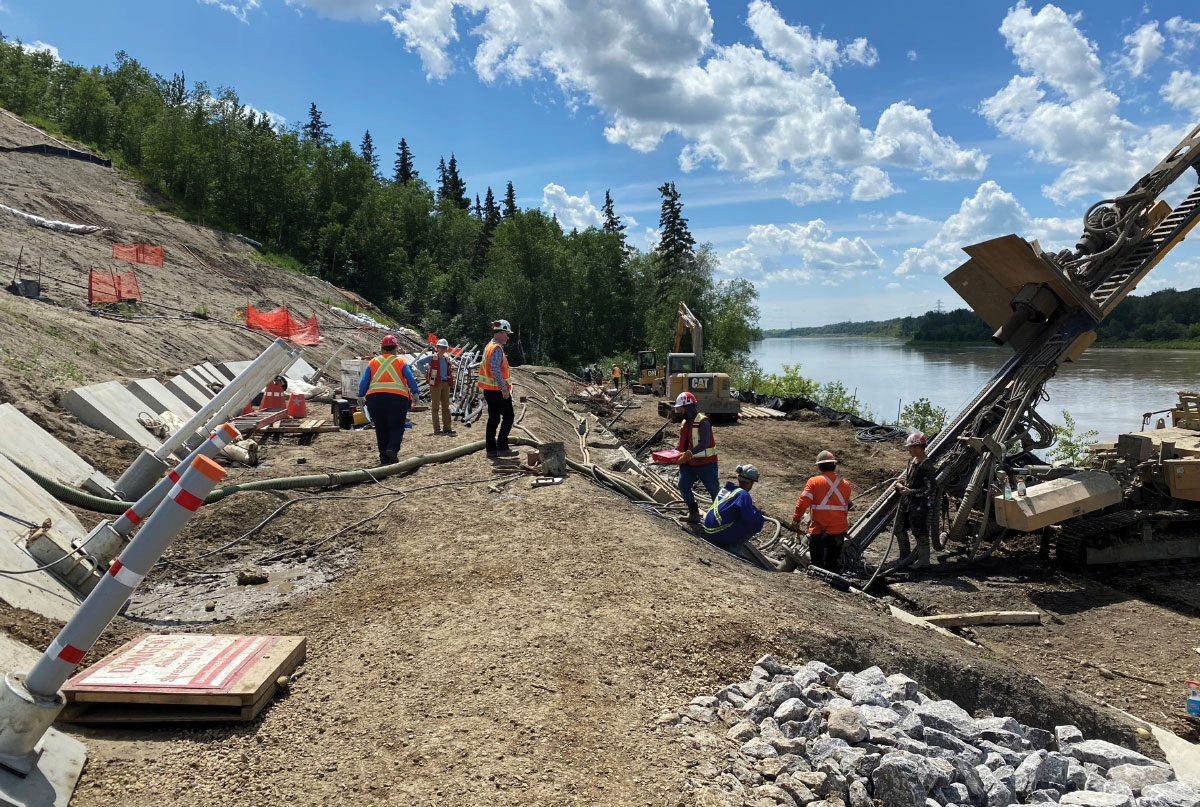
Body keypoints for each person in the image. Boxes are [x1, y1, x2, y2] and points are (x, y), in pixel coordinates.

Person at [358, 334, 420, 465]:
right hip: (397, 399)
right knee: (397, 426)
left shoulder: (373, 362)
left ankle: (384, 458)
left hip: (375, 399)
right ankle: (392, 448)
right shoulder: (400, 362)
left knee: (381, 428)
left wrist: (360, 395)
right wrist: (415, 393)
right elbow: (410, 378)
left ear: (382, 348)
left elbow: (364, 380)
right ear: (395, 348)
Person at [791, 450, 852, 572]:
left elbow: (803, 503)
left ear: (819, 466)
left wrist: (796, 519)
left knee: (817, 566)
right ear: (834, 465)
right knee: (833, 565)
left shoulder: (813, 482)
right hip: (838, 531)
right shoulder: (845, 484)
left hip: (819, 530)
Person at [673, 391, 719, 522]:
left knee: (714, 491)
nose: (679, 411)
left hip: (706, 464)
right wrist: (677, 455)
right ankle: (694, 513)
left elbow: (704, 443)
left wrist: (688, 454)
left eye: (680, 408)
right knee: (683, 485)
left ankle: (719, 518)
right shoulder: (684, 423)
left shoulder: (703, 421)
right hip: (689, 464)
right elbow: (685, 442)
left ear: (687, 407)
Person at [700, 464, 765, 553]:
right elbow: (749, 518)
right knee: (757, 521)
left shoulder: (727, 488)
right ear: (751, 483)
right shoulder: (743, 494)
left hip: (707, 530)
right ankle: (734, 548)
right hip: (716, 534)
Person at [894, 431, 936, 569]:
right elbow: (909, 480)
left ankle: (924, 561)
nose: (908, 450)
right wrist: (901, 485)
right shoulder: (912, 462)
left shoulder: (927, 466)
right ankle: (905, 556)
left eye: (910, 447)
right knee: (899, 528)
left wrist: (910, 492)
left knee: (920, 532)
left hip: (919, 505)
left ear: (917, 447)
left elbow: (929, 489)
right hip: (907, 503)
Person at [478, 319, 516, 459]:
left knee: (493, 418)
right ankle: (502, 447)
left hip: (489, 390)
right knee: (508, 416)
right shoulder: (496, 348)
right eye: (507, 333)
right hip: (497, 390)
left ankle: (491, 449)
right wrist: (504, 389)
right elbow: (495, 370)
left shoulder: (489, 346)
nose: (508, 336)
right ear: (500, 333)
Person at [425, 338, 455, 435]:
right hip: (435, 384)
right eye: (441, 347)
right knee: (435, 407)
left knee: (446, 407)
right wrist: (425, 373)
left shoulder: (446, 359)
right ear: (437, 348)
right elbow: (419, 363)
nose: (442, 349)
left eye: (444, 347)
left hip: (445, 383)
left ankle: (447, 428)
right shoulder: (432, 357)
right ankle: (437, 429)